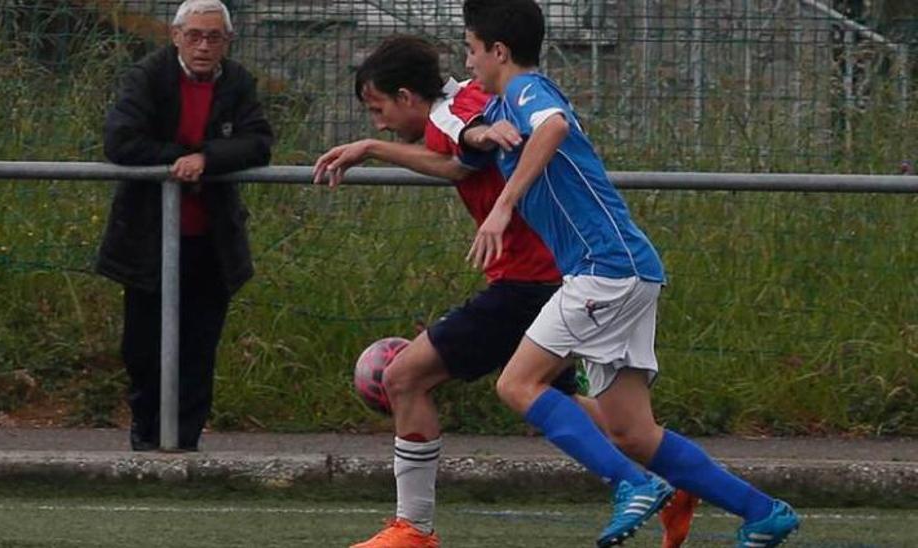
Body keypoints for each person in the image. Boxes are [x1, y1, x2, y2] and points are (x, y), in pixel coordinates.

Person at [314, 35, 696, 548]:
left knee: (404, 377)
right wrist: (380, 148)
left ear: (407, 96)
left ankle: (414, 529)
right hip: (556, 274)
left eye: (377, 109)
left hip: (528, 281)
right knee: (569, 406)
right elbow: (458, 161)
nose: (378, 122)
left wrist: (396, 146)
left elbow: (464, 141)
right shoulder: (467, 98)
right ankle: (676, 483)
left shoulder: (452, 115)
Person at [457, 1, 799, 546]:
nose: (468, 59)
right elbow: (459, 137)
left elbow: (551, 126)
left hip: (604, 269)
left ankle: (630, 485)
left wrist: (504, 205)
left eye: (472, 48)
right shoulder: (504, 106)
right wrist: (473, 136)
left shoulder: (528, 91)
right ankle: (763, 512)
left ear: (499, 51)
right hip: (627, 269)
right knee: (632, 431)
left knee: (518, 383)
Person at [98, 0, 273, 452]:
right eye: (194, 35)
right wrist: (177, 159)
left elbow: (258, 142)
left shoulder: (238, 82)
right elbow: (121, 140)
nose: (203, 46)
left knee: (198, 347)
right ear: (175, 36)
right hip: (147, 238)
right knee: (142, 346)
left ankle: (185, 443)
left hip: (211, 241)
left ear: (227, 42)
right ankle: (147, 435)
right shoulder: (147, 76)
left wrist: (207, 159)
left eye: (213, 37)